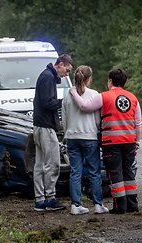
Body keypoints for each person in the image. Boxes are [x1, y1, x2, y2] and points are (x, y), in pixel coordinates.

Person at [69, 68, 142, 214]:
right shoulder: (133, 98)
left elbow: (84, 106)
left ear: (110, 81)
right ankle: (132, 204)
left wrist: (73, 93)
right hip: (129, 141)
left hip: (112, 142)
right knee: (128, 172)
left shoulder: (104, 96)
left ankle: (120, 206)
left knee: (115, 173)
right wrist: (137, 141)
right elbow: (138, 123)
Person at [62, 65, 109, 215]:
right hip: (89, 136)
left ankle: (76, 205)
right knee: (94, 171)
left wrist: (67, 132)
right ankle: (98, 204)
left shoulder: (67, 96)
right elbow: (97, 119)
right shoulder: (94, 94)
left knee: (75, 171)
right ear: (89, 79)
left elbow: (64, 119)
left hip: (72, 136)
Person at [32, 54, 74, 211]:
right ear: (60, 64)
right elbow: (47, 102)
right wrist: (65, 102)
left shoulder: (46, 75)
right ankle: (50, 198)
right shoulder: (48, 77)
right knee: (53, 163)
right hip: (45, 126)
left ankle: (40, 200)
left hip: (39, 125)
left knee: (40, 164)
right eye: (67, 70)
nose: (67, 74)